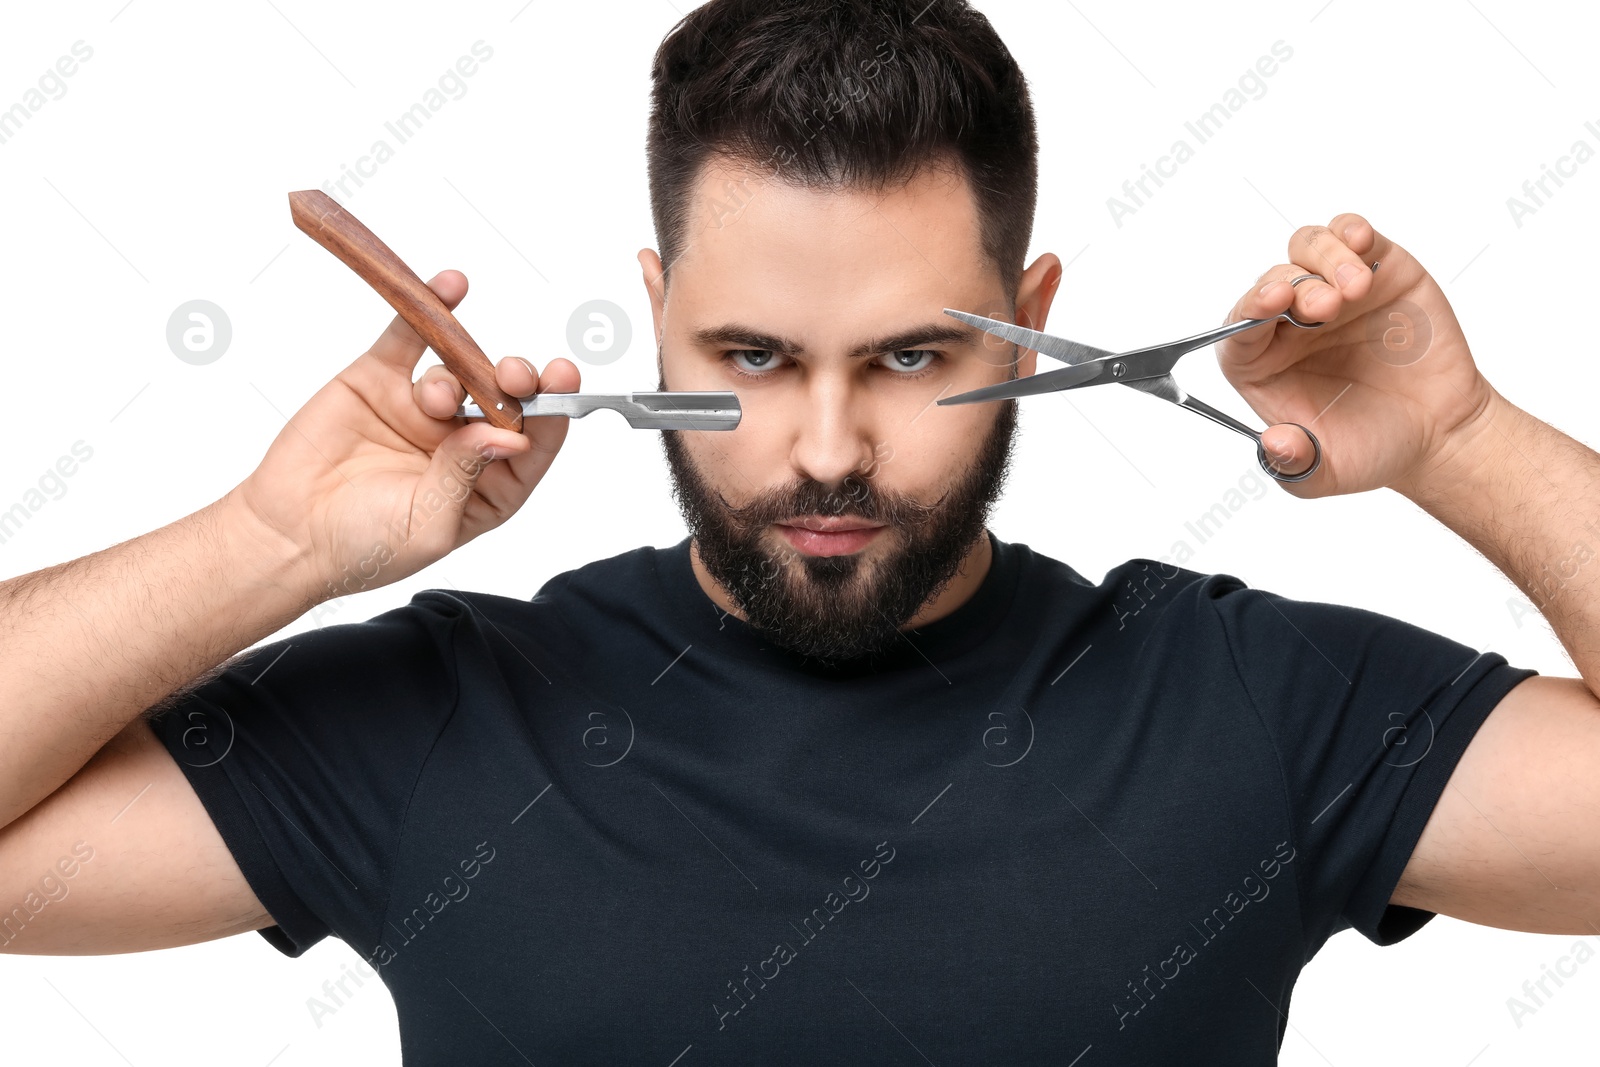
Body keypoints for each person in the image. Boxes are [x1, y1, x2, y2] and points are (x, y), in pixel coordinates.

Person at [1, 0, 1595, 1062]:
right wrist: (271, 541)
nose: (826, 453)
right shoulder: (448, 715)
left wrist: (1462, 442)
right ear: (660, 317)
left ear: (1031, 327)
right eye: (753, 358)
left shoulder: (1240, 697)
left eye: (913, 356)